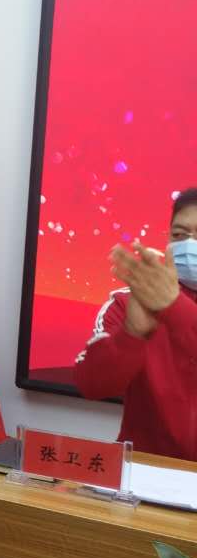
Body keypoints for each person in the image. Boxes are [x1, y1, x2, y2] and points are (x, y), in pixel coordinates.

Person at [74, 188, 197, 458]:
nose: (190, 245)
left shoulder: (173, 308)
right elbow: (91, 385)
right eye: (179, 235)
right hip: (142, 470)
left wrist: (175, 308)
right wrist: (131, 334)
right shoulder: (127, 302)